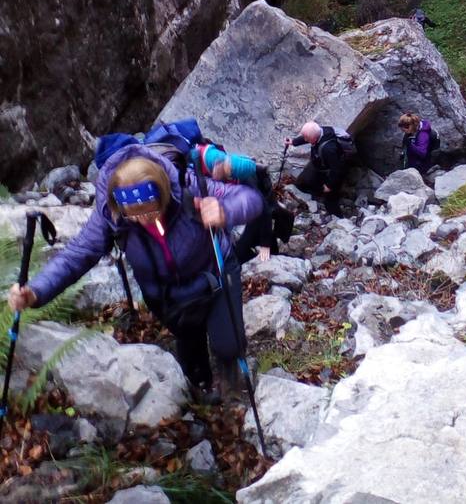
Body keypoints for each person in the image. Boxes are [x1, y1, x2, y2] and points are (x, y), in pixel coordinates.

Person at [7, 144, 263, 402]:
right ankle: (202, 392)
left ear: (164, 195)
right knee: (190, 348)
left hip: (215, 270)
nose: (145, 221)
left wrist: (224, 211)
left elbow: (251, 199)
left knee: (228, 344)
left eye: (152, 210)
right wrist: (35, 291)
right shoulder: (112, 215)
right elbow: (77, 255)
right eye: (134, 215)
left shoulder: (188, 187)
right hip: (169, 293)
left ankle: (232, 384)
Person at [192, 142, 294, 265]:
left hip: (259, 204)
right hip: (251, 201)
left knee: (243, 248)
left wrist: (265, 244)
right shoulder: (210, 159)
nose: (215, 175)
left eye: (218, 172)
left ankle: (272, 254)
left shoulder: (245, 178)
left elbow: (264, 209)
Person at [285, 122, 351, 217]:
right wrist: (293, 142)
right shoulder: (320, 131)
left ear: (314, 138)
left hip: (330, 171)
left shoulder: (328, 149)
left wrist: (329, 186)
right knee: (305, 182)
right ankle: (317, 193)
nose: (306, 140)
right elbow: (307, 137)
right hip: (320, 164)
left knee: (330, 200)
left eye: (307, 138)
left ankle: (337, 218)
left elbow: (337, 170)